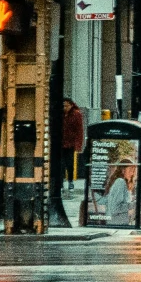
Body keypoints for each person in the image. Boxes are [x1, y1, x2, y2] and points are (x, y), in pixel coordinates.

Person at [52, 97, 85, 228]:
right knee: (60, 165)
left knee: (70, 164)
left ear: (71, 105)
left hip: (70, 144)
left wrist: (78, 145)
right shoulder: (60, 114)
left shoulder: (76, 114)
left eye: (66, 105)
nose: (65, 107)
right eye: (63, 105)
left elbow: (79, 131)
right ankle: (60, 182)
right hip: (61, 143)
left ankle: (70, 180)